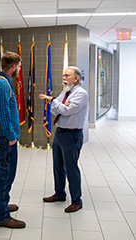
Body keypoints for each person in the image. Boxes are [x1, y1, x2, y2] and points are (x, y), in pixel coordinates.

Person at [39, 66, 88, 213]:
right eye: (63, 75)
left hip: (72, 135)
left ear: (76, 78)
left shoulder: (81, 94)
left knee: (71, 168)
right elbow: (56, 110)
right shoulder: (66, 92)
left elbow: (66, 110)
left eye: (67, 75)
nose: (64, 78)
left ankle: (76, 201)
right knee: (58, 166)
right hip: (60, 133)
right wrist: (58, 104)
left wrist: (55, 101)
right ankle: (59, 193)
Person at [0, 51, 25, 228]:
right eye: (18, 66)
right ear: (12, 67)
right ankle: (2, 216)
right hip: (3, 138)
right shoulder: (2, 85)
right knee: (3, 175)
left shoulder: (0, 81)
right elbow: (3, 115)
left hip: (1, 137)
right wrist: (11, 137)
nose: (18, 69)